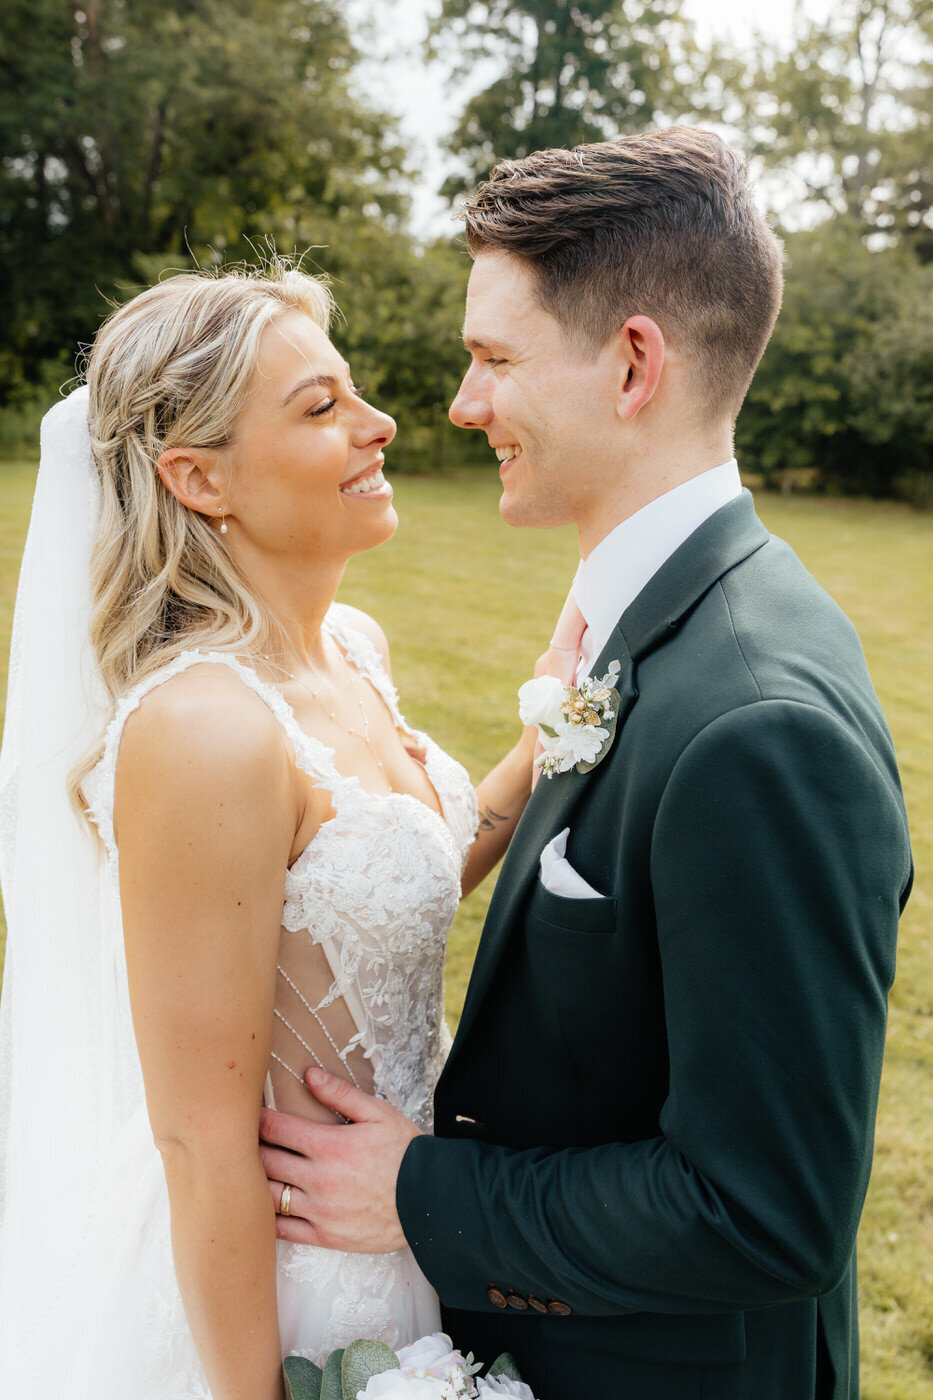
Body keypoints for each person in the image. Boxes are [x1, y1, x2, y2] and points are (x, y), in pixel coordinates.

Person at [258, 128, 914, 1399]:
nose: (460, 403)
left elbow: (765, 1208)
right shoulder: (647, 619)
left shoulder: (757, 723)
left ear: (631, 366)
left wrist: (419, 1190)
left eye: (494, 357)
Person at [0, 265, 538, 1400]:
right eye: (319, 406)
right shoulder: (204, 728)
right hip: (281, 1290)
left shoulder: (354, 645)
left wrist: (557, 722)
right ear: (198, 478)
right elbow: (198, 1146)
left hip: (403, 1228)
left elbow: (391, 875)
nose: (380, 423)